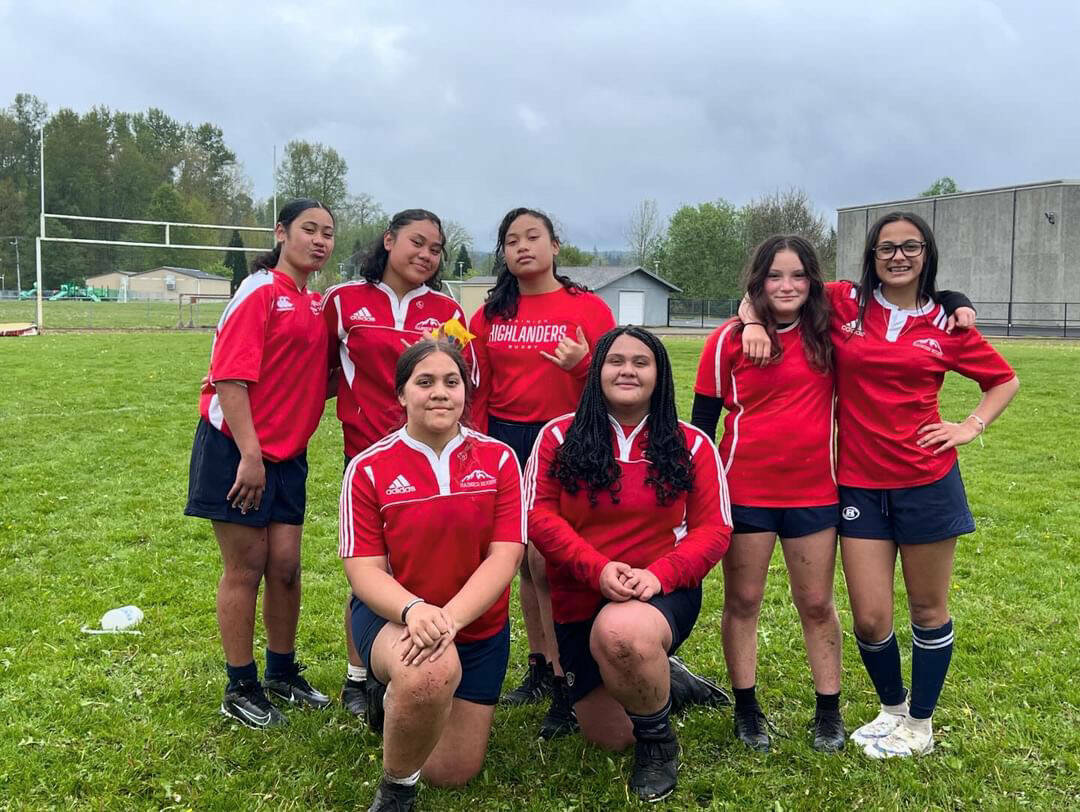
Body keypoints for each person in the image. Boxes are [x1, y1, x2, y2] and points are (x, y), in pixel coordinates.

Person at [741, 212, 1019, 758]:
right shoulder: (845, 304)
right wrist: (750, 320)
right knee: (870, 617)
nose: (898, 256)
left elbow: (1003, 380)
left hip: (927, 483)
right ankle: (891, 708)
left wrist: (969, 426)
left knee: (927, 611)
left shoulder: (946, 324)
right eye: (886, 247)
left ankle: (920, 723)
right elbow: (777, 287)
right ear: (871, 256)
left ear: (925, 254)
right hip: (859, 486)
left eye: (910, 247)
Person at [525, 326, 731, 802]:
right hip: (583, 589)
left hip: (658, 593)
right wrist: (596, 568)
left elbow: (714, 530)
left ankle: (658, 745)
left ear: (659, 374)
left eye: (641, 362)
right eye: (615, 360)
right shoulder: (558, 436)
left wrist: (657, 576)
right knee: (610, 737)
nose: (628, 370)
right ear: (597, 371)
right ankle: (666, 678)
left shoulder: (692, 443)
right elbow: (538, 514)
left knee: (622, 635)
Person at [340, 339, 524, 812]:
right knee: (429, 672)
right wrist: (414, 609)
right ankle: (396, 792)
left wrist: (450, 620)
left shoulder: (500, 459)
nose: (439, 393)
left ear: (466, 391)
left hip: (476, 630)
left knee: (451, 772)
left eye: (451, 381)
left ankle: (396, 701)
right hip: (397, 620)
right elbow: (363, 569)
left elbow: (505, 556)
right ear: (401, 394)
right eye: (424, 382)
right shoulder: (368, 468)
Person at [184, 199, 335, 728]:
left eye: (327, 233)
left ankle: (281, 671)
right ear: (281, 233)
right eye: (308, 230)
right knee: (245, 569)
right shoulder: (261, 291)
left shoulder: (314, 303)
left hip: (288, 456)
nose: (319, 240)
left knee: (286, 568)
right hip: (239, 450)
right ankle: (239, 684)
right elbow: (229, 377)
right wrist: (250, 455)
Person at [692, 235, 845, 753]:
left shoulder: (831, 333)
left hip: (815, 494)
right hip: (745, 495)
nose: (786, 286)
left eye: (797, 275)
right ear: (757, 282)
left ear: (811, 281)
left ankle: (828, 710)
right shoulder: (726, 342)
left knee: (818, 603)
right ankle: (747, 709)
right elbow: (700, 429)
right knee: (744, 600)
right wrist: (750, 322)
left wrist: (957, 305)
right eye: (775, 276)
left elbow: (892, 290)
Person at [322, 209, 477, 717]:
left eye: (436, 249)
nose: (427, 255)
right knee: (371, 570)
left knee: (421, 565)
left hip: (434, 459)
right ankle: (359, 676)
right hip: (369, 458)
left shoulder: (446, 307)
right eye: (417, 242)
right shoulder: (343, 301)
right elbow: (315, 369)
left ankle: (430, 656)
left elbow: (462, 377)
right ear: (388, 241)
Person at [468, 207, 616, 737]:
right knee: (520, 563)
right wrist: (480, 446)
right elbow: (477, 388)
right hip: (505, 443)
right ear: (504, 254)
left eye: (533, 237)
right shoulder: (489, 315)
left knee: (550, 561)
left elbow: (617, 386)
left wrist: (582, 364)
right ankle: (538, 666)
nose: (522, 247)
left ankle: (568, 679)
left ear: (556, 246)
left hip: (567, 440)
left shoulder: (589, 309)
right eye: (511, 240)